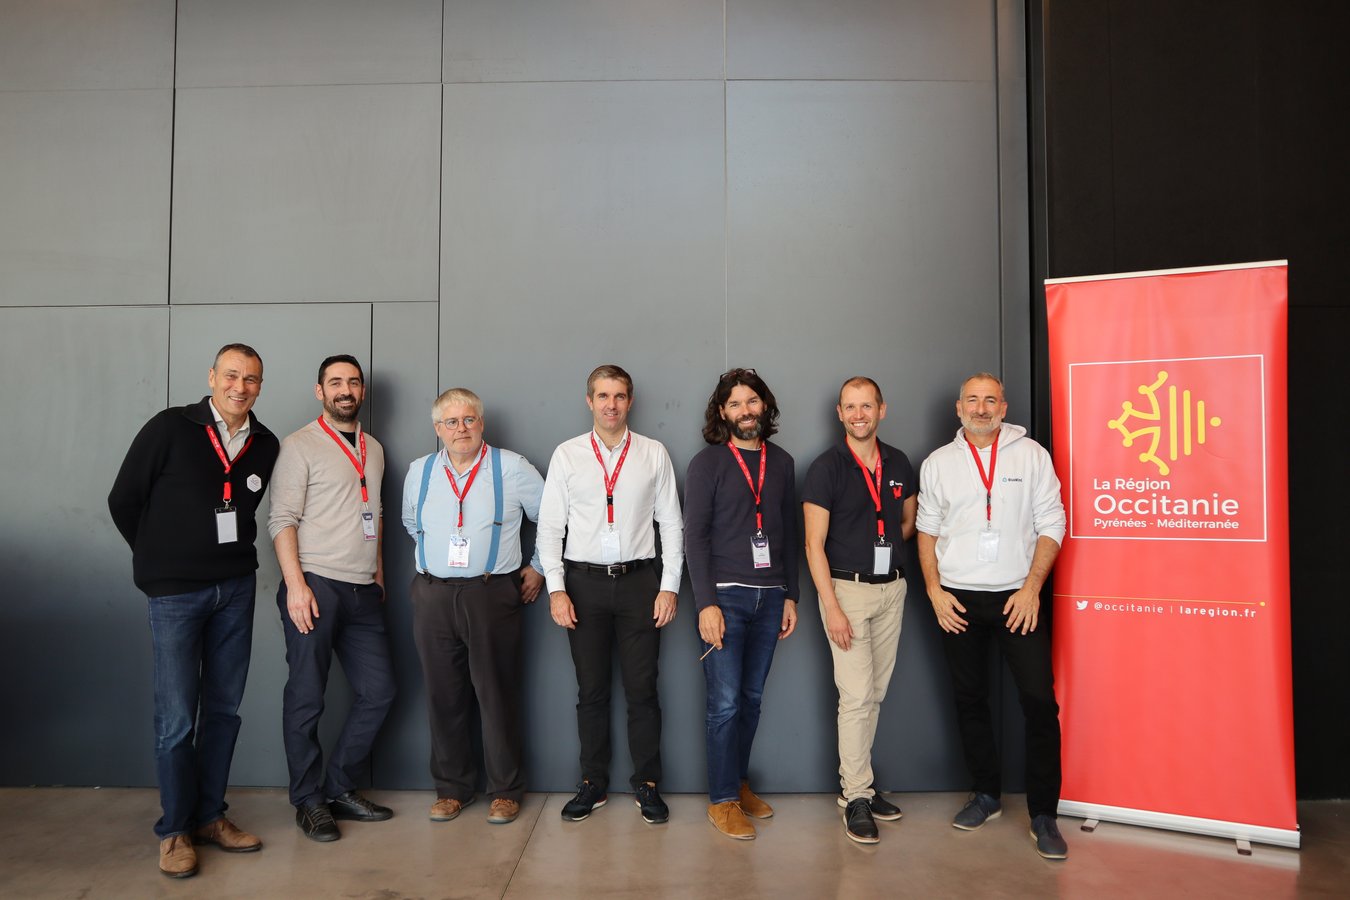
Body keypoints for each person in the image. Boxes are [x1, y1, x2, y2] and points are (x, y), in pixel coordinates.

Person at [108, 343, 280, 879]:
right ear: (211, 377)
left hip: (235, 589)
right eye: (231, 375)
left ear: (259, 385)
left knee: (224, 711)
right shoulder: (170, 427)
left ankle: (210, 815)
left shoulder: (265, 443)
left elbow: (243, 508)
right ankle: (175, 829)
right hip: (176, 594)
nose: (240, 387)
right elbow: (123, 500)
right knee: (177, 719)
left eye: (251, 379)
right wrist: (160, 560)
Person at [915, 372, 1069, 860]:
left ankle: (1044, 813)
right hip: (958, 598)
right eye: (972, 401)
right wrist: (935, 592)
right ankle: (986, 794)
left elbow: (1052, 523)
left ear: (1004, 407)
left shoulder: (1032, 456)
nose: (981, 409)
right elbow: (926, 530)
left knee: (1039, 702)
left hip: (1016, 598)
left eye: (990, 401)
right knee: (969, 699)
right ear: (958, 409)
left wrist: (1031, 590)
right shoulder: (939, 463)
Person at [537, 364, 684, 824]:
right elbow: (549, 529)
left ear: (630, 400)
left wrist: (669, 586)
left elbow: (672, 525)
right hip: (583, 584)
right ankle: (593, 783)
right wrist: (556, 590)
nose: (611, 404)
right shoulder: (567, 455)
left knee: (643, 690)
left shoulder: (653, 453)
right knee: (591, 691)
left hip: (641, 581)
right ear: (589, 401)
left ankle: (647, 783)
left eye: (619, 396)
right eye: (603, 396)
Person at [400, 388, 546, 826]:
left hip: (492, 594)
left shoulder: (512, 467)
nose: (460, 429)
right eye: (451, 422)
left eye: (468, 420)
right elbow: (412, 522)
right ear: (437, 429)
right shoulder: (420, 471)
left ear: (481, 423)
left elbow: (555, 517)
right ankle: (452, 789)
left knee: (496, 693)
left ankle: (504, 791)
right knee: (443, 696)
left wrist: (538, 566)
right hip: (432, 594)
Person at [268, 354, 397, 842]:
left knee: (379, 691)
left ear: (362, 392)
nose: (346, 389)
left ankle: (339, 787)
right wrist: (296, 585)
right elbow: (281, 518)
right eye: (335, 382)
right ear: (320, 391)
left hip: (363, 590)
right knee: (306, 698)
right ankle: (308, 801)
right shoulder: (299, 445)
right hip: (315, 585)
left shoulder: (375, 448)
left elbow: (377, 512)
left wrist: (379, 571)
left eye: (354, 382)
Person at [684, 368, 799, 840]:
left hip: (771, 598)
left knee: (751, 701)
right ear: (721, 413)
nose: (745, 411)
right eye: (735, 404)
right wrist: (705, 604)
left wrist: (791, 593)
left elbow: (787, 534)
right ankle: (722, 800)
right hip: (726, 599)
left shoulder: (784, 462)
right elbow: (695, 537)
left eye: (752, 402)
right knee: (725, 704)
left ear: (764, 407)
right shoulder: (707, 464)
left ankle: (739, 782)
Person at [802, 376, 916, 844]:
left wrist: (882, 558)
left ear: (881, 410)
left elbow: (907, 522)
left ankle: (859, 785)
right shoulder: (825, 468)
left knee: (875, 693)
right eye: (850, 407)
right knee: (854, 697)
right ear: (840, 413)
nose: (858, 414)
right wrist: (831, 607)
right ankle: (857, 797)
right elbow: (813, 545)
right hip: (846, 593)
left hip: (892, 590)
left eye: (866, 406)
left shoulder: (900, 463)